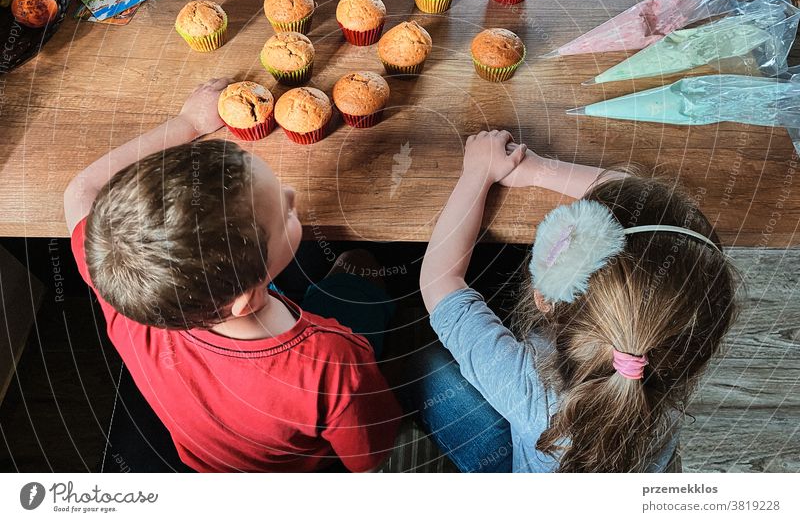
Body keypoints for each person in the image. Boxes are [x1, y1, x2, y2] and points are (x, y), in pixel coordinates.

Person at [64, 78, 401, 472]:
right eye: (285, 213)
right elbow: (369, 459)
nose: (291, 193)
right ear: (246, 299)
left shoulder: (127, 282)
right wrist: (185, 124)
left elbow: (80, 191)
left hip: (214, 461)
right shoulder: (333, 362)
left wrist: (190, 121)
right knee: (360, 262)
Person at [411, 130, 738, 472]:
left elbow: (439, 281)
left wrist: (478, 172)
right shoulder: (667, 370)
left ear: (543, 298)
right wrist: (536, 170)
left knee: (424, 363)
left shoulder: (532, 393)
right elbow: (649, 202)